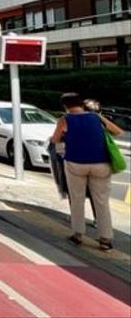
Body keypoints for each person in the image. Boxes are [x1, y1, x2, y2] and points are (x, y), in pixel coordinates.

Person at [51, 92, 124, 251]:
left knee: (77, 198)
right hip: (101, 164)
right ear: (81, 103)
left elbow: (55, 140)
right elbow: (118, 131)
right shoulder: (96, 118)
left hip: (76, 163)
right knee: (102, 201)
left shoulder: (64, 120)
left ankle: (78, 234)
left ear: (65, 106)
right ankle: (105, 239)